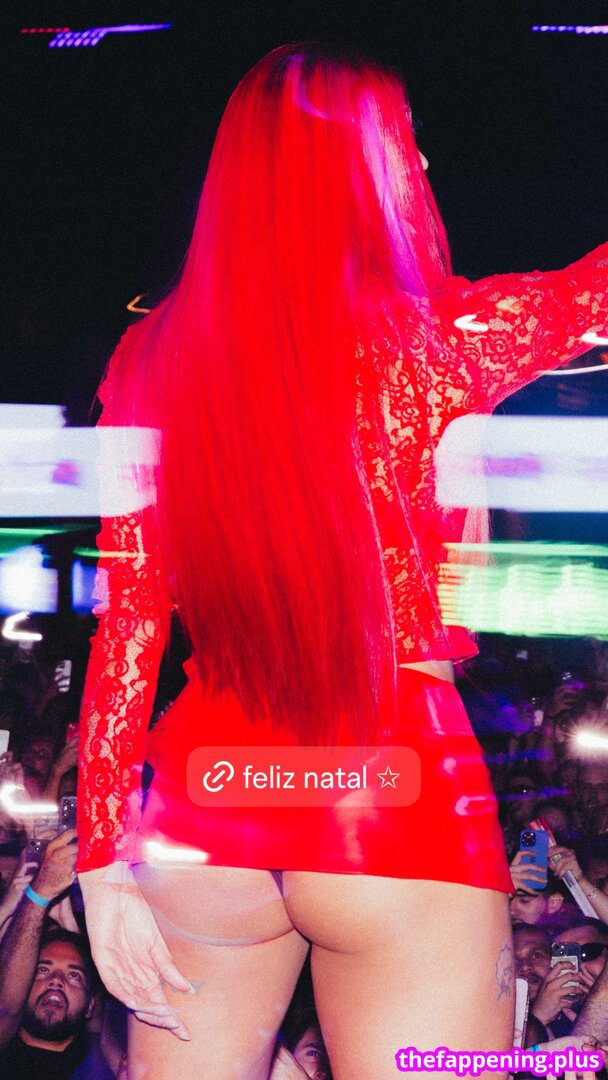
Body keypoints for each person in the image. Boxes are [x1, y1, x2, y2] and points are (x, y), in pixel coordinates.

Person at [75, 42, 608, 1079]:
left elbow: (129, 622)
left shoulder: (150, 356)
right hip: (389, 783)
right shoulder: (437, 336)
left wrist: (99, 859)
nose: (423, 166)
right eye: (405, 144)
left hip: (210, 793)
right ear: (368, 168)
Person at [0, 830, 113, 1078]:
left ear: (90, 1006)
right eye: (42, 970)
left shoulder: (104, 1059)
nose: (56, 981)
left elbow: (102, 990)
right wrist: (37, 893)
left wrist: (64, 917)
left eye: (74, 976)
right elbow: (7, 1006)